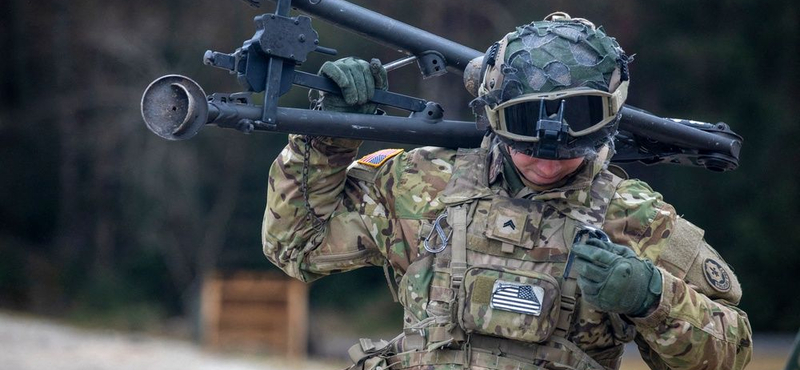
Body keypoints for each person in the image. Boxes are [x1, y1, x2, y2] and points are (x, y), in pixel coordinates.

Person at [262, 13, 752, 370]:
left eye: (569, 144)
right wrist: (324, 141)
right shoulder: (422, 184)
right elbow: (295, 246)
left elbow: (733, 352)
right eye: (526, 136)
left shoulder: (636, 221)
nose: (546, 158)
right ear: (494, 116)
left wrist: (652, 298)